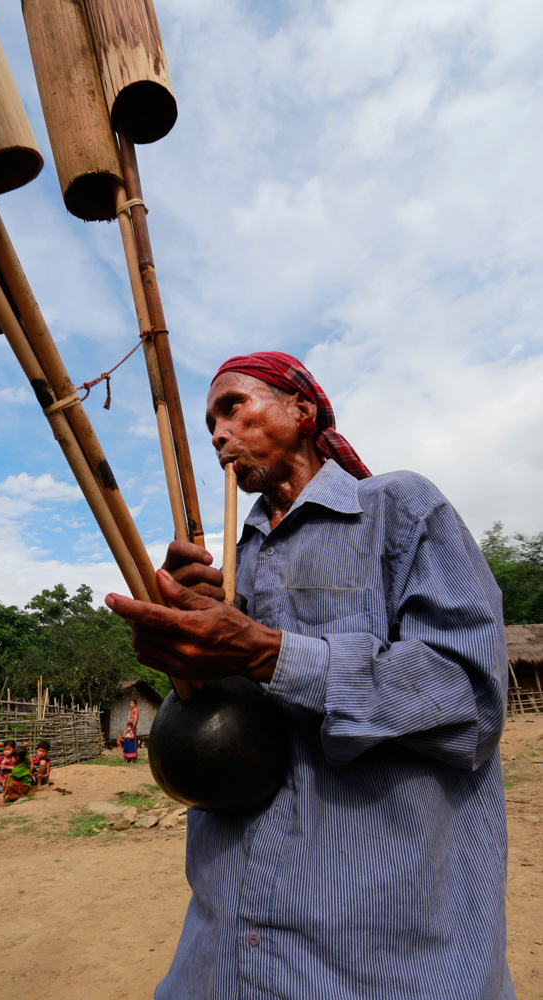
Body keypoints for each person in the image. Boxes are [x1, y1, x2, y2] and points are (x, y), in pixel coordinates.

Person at [106, 351, 514, 1000]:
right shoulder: (231, 565)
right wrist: (188, 652)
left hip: (383, 960)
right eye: (209, 424)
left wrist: (265, 654)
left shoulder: (397, 509)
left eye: (233, 408)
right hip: (224, 961)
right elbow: (233, 738)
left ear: (301, 411)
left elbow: (469, 699)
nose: (218, 434)